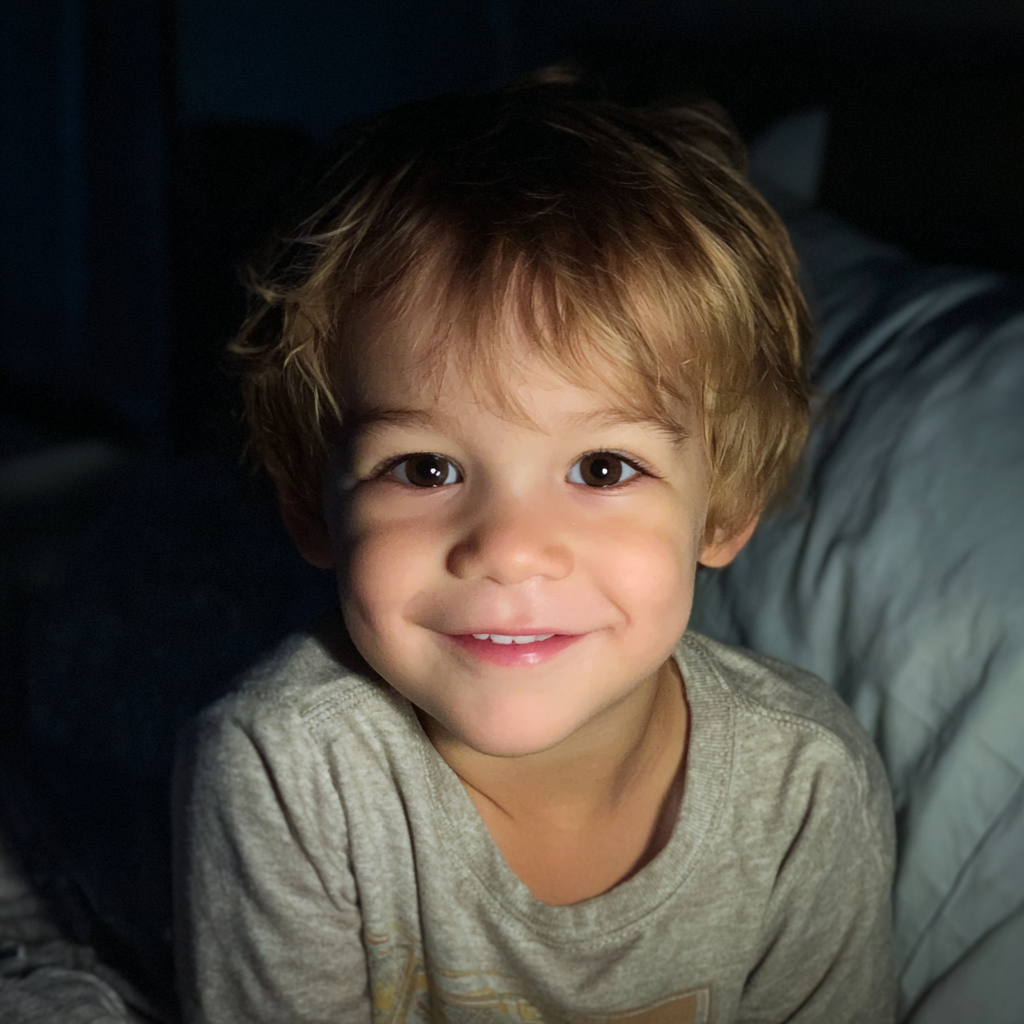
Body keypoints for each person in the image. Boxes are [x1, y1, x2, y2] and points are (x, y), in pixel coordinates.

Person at [172, 67, 897, 1023]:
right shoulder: (284, 770)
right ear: (312, 505)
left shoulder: (805, 786)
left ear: (723, 508)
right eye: (425, 469)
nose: (510, 551)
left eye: (602, 469)